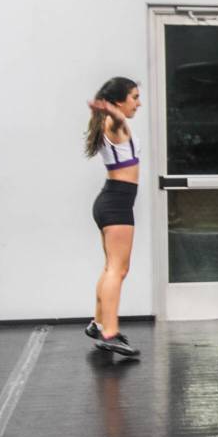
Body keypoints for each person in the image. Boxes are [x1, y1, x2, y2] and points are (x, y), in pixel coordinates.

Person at [85, 77, 143, 357]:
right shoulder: (114, 123)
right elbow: (118, 119)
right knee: (117, 270)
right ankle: (109, 333)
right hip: (116, 203)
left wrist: (110, 109)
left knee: (113, 267)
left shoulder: (109, 123)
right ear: (119, 102)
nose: (138, 103)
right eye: (134, 97)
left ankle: (98, 324)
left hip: (113, 201)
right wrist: (112, 111)